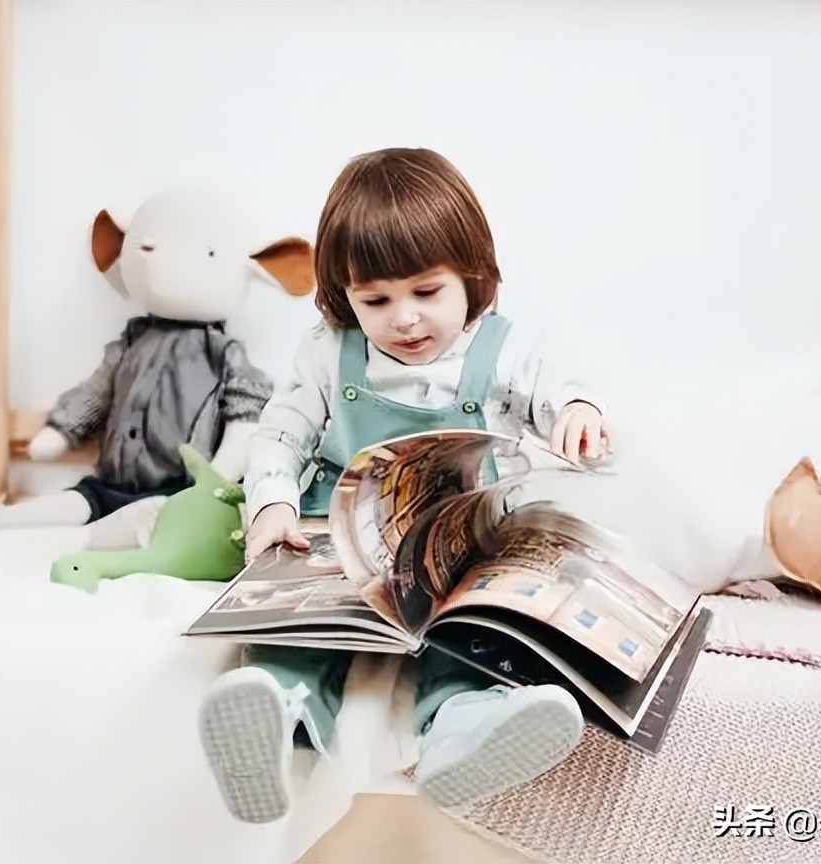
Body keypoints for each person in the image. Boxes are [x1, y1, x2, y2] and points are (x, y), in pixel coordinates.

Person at [198, 148, 610, 823]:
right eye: (376, 300)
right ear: (344, 296)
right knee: (300, 630)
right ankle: (273, 716)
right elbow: (280, 431)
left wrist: (578, 414)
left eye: (426, 292)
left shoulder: (500, 349)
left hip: (454, 541)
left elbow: (559, 393)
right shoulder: (331, 352)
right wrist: (270, 506)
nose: (405, 319)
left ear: (471, 277)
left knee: (470, 631)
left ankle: (460, 728)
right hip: (342, 532)